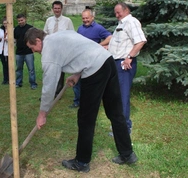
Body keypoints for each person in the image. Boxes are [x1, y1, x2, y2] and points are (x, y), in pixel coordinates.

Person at [24, 28, 137, 173]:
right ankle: (128, 154)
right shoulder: (60, 34)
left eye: (32, 47)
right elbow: (83, 49)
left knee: (86, 118)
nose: (33, 51)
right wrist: (77, 74)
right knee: (115, 112)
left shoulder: (48, 52)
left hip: (95, 69)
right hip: (107, 60)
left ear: (38, 41)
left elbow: (49, 86)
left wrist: (42, 114)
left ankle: (82, 162)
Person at [108, 2, 147, 135]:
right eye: (115, 13)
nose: (116, 15)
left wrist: (129, 56)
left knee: (122, 96)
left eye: (118, 12)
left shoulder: (131, 22)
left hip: (125, 65)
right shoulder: (121, 23)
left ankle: (124, 128)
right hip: (116, 63)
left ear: (126, 10)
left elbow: (141, 41)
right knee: (117, 95)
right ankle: (119, 125)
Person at [69, 8, 112, 108]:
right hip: (79, 58)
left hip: (92, 60)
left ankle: (89, 101)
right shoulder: (80, 28)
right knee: (76, 80)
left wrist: (98, 45)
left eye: (87, 18)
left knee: (89, 82)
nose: (85, 20)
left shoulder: (98, 28)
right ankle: (77, 101)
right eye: (83, 18)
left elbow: (110, 37)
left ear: (92, 17)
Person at [43, 0, 74, 96]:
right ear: (52, 9)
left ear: (61, 9)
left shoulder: (67, 21)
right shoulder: (49, 20)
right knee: (50, 71)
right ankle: (50, 91)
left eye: (58, 8)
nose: (57, 10)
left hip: (62, 50)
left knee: (60, 71)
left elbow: (72, 35)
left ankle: (58, 92)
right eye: (55, 8)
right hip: (50, 50)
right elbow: (44, 34)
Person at [14, 14, 37, 89]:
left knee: (31, 69)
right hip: (19, 52)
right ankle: (18, 83)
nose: (20, 22)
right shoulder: (16, 29)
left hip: (28, 52)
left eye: (22, 20)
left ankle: (33, 84)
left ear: (25, 19)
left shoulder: (30, 28)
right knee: (18, 69)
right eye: (19, 21)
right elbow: (15, 39)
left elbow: (34, 39)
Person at [0, 17, 9, 85]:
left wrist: (8, 40)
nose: (5, 25)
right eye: (4, 23)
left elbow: (14, 40)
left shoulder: (12, 29)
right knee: (4, 65)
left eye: (6, 23)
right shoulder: (1, 30)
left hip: (8, 50)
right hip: (2, 50)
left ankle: (10, 79)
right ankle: (5, 79)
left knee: (8, 65)